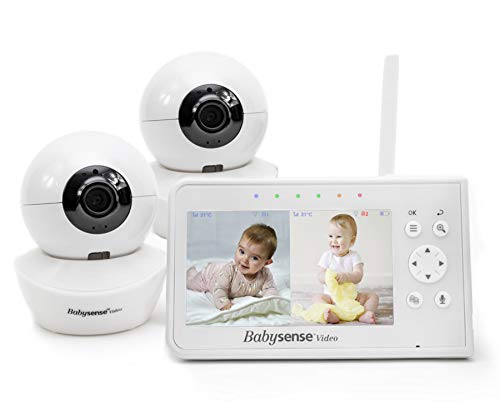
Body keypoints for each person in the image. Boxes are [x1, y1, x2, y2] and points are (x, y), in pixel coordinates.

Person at [187, 223, 279, 310]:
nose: (245, 260)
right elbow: (219, 288)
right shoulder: (229, 270)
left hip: (219, 272)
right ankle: (191, 273)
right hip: (209, 276)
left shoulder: (265, 274)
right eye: (242, 252)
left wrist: (270, 301)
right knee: (190, 283)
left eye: (254, 258)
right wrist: (224, 303)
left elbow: (270, 289)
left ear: (266, 263)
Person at [313, 214, 379, 324]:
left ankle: (364, 314)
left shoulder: (354, 256)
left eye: (338, 237)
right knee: (317, 298)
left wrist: (346, 277)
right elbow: (319, 275)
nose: (333, 240)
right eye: (330, 236)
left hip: (352, 299)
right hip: (331, 298)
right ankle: (332, 314)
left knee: (373, 297)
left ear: (352, 241)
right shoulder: (327, 256)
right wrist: (328, 278)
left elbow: (358, 275)